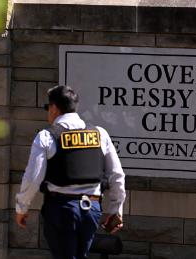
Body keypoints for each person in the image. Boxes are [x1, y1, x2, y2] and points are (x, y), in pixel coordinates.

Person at [15, 85, 126, 259]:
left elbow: (32, 178)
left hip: (61, 209)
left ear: (53, 108)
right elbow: (117, 175)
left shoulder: (46, 136)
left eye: (48, 108)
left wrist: (22, 207)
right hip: (92, 209)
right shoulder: (100, 134)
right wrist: (115, 210)